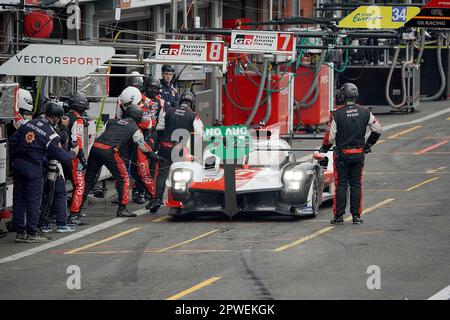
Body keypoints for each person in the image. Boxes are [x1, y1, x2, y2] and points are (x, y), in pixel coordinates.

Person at [9, 101, 79, 243]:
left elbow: (12, 140)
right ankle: (32, 233)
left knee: (18, 199)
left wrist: (15, 159)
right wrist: (74, 153)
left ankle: (20, 233)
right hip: (33, 167)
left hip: (18, 164)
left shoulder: (28, 123)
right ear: (56, 118)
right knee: (34, 200)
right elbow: (61, 156)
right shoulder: (51, 134)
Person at [320, 83, 383, 225]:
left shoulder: (337, 113)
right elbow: (378, 129)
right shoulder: (365, 112)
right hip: (359, 154)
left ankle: (338, 216)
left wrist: (324, 149)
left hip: (342, 155)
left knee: (341, 185)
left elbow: (330, 137)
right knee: (356, 185)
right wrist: (368, 145)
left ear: (342, 95)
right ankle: (356, 216)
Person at [82, 107, 158, 217]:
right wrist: (153, 155)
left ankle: (75, 213)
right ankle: (122, 209)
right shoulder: (134, 128)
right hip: (109, 151)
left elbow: (99, 134)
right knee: (124, 178)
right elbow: (142, 145)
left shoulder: (111, 121)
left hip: (95, 148)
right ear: (138, 117)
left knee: (88, 181)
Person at [147, 91, 203, 213]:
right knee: (182, 174)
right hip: (180, 150)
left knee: (161, 175)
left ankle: (156, 199)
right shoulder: (193, 116)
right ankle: (182, 199)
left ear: (180, 101)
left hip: (165, 147)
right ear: (192, 103)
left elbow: (159, 128)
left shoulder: (167, 110)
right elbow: (200, 133)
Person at [63, 93, 89, 224]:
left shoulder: (64, 116)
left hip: (60, 156)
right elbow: (76, 140)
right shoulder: (78, 120)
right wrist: (82, 157)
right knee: (79, 185)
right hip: (73, 157)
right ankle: (73, 215)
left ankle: (59, 214)